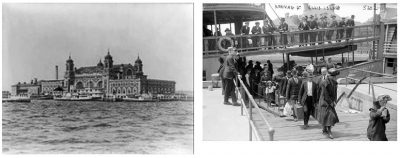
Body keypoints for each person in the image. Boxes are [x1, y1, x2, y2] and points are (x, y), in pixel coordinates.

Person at [316, 68, 339, 139]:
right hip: (324, 101)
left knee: (327, 116)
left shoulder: (335, 82)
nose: (335, 78)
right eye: (334, 76)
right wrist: (330, 102)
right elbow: (325, 94)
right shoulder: (324, 83)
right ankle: (329, 131)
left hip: (331, 101)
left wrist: (335, 100)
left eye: (335, 76)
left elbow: (335, 92)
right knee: (329, 116)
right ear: (330, 76)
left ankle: (325, 129)